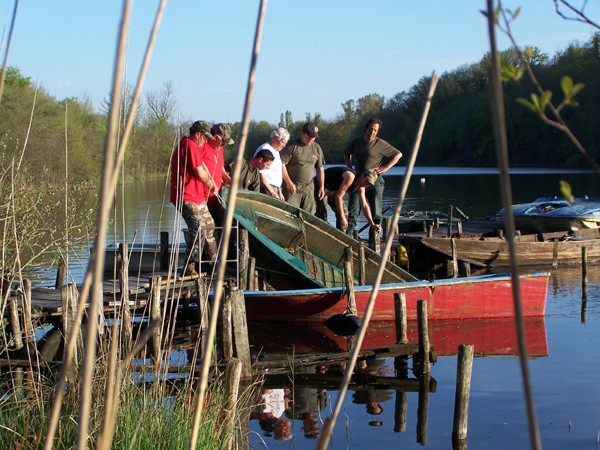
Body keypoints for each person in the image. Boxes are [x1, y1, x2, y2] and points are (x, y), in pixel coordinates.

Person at [169, 120, 219, 276]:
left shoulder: (195, 146)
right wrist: (211, 184)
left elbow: (203, 166)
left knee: (210, 226)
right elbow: (199, 171)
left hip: (198, 196)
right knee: (197, 230)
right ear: (198, 134)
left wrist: (211, 180)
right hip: (186, 196)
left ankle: (213, 264)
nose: (206, 140)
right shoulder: (189, 145)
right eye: (204, 137)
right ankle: (189, 266)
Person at [344, 118, 403, 235]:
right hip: (358, 179)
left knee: (376, 212)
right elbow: (346, 153)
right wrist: (350, 168)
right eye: (371, 129)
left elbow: (398, 154)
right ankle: (348, 239)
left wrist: (385, 167)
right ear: (366, 129)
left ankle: (374, 240)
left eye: (375, 130)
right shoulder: (357, 142)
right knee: (353, 211)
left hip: (374, 181)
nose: (372, 132)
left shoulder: (381, 144)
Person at [315, 166, 382, 233]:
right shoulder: (350, 177)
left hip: (334, 190)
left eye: (369, 184)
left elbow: (364, 205)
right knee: (322, 216)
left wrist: (372, 224)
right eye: (366, 181)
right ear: (363, 175)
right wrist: (342, 218)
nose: (366, 184)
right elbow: (338, 197)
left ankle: (340, 237)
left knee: (345, 214)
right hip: (321, 186)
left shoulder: (361, 186)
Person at [281, 122, 325, 214]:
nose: (311, 139)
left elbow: (320, 168)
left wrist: (321, 187)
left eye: (314, 137)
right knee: (289, 214)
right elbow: (281, 165)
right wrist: (289, 183)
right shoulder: (292, 146)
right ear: (302, 133)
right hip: (292, 188)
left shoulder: (316, 148)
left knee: (309, 215)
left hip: (308, 188)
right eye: (309, 136)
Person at [205, 123, 233, 228]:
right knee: (211, 227)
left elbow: (220, 168)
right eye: (223, 142)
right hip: (205, 197)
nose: (224, 145)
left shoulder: (220, 149)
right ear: (216, 137)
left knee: (223, 224)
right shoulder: (203, 147)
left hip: (218, 197)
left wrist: (229, 180)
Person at [254, 127, 290, 200]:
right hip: (266, 188)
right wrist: (271, 192)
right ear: (275, 138)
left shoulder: (276, 151)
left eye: (285, 143)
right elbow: (261, 174)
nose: (284, 145)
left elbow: (276, 172)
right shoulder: (265, 149)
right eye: (282, 142)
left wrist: (279, 191)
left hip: (276, 189)